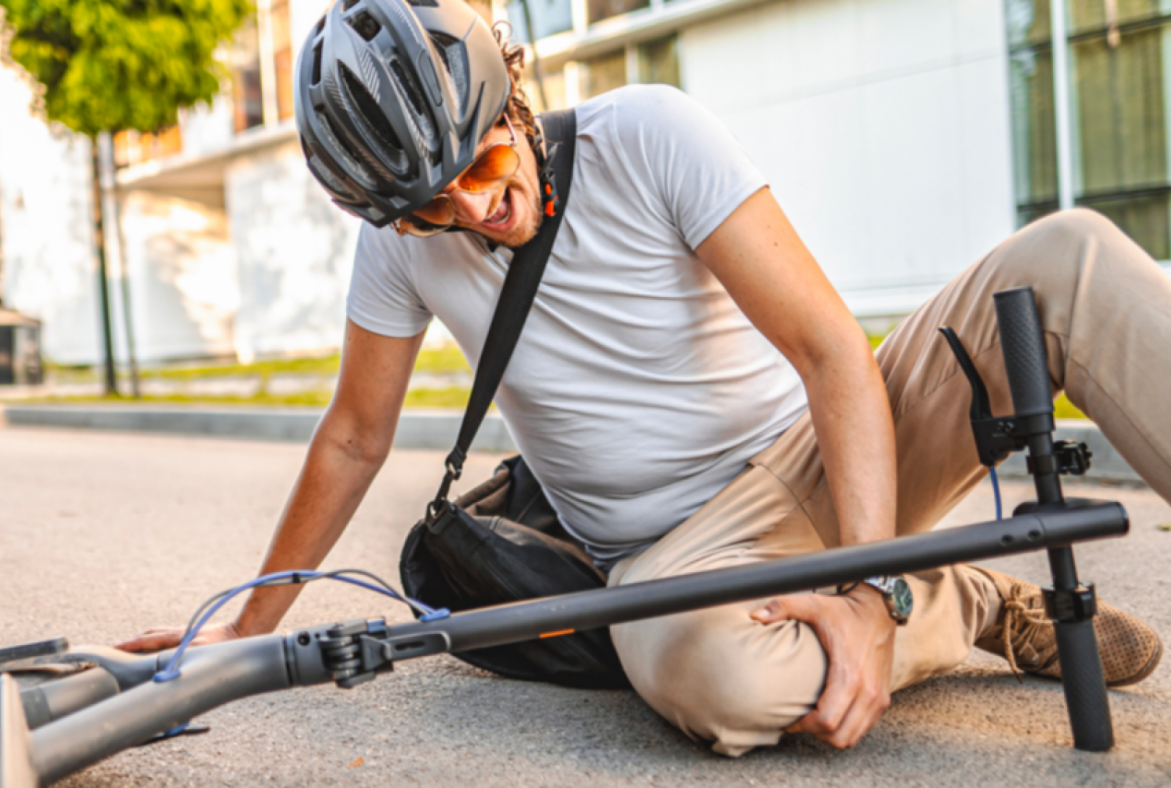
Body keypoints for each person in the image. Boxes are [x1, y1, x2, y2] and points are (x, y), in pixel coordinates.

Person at [119, 0, 1165, 755]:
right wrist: (244, 629)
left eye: (479, 167)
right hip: (677, 555)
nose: (471, 212)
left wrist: (858, 587)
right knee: (719, 684)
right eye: (428, 205)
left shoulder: (650, 133)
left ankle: (880, 590)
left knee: (1064, 257)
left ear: (512, 92)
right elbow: (353, 435)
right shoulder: (399, 249)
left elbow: (828, 351)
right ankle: (969, 600)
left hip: (825, 444)